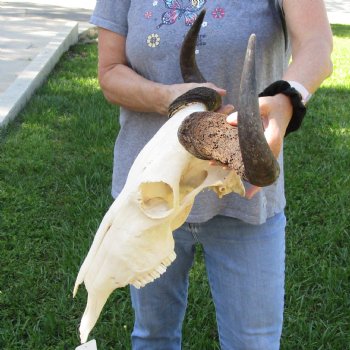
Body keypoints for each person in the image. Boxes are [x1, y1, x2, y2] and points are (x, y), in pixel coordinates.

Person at [90, 1, 333, 349]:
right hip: (152, 194)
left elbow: (317, 44)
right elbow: (110, 72)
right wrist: (169, 98)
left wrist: (288, 97)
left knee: (253, 343)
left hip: (243, 192)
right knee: (152, 336)